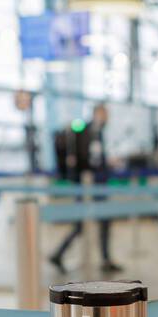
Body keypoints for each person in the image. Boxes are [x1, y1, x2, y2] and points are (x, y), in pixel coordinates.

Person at [48, 104, 122, 274]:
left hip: (98, 185)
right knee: (81, 224)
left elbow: (96, 158)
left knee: (104, 221)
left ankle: (105, 258)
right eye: (105, 114)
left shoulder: (99, 132)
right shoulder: (84, 131)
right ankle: (59, 253)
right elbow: (84, 159)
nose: (107, 117)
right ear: (97, 113)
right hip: (87, 186)